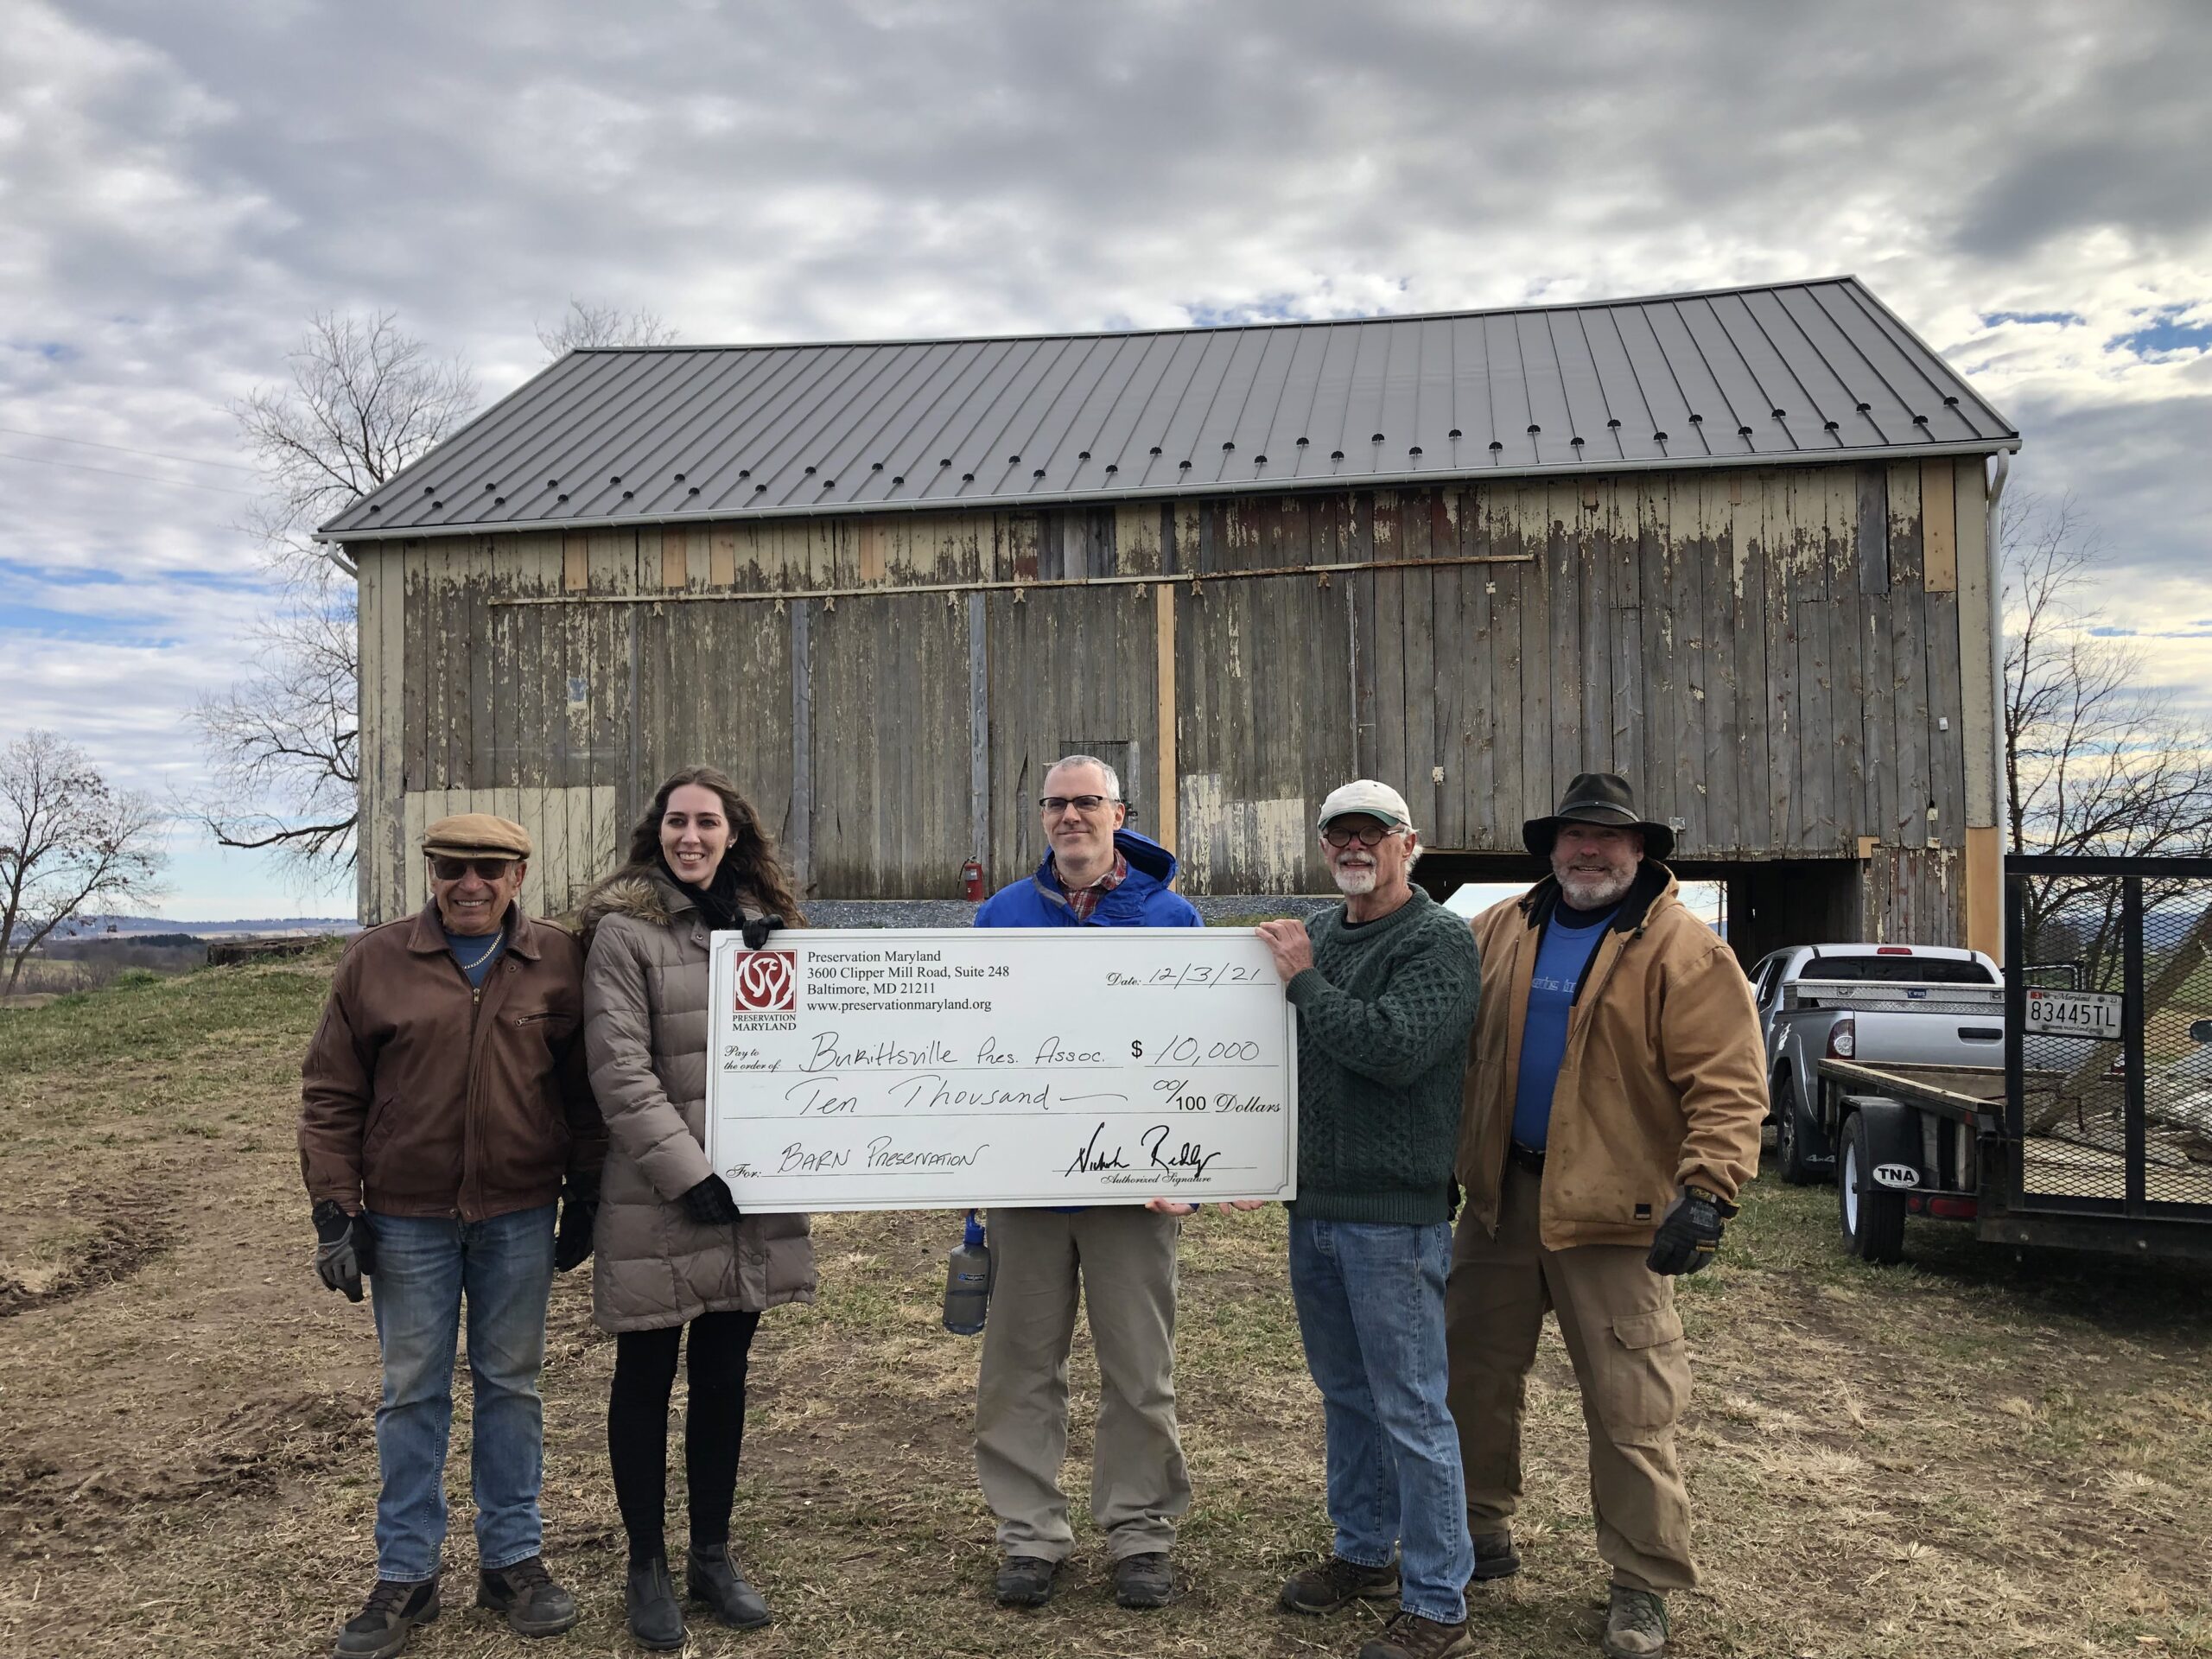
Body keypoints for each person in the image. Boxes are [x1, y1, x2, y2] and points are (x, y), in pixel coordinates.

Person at [1447, 774, 1766, 1659]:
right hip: (1499, 1203)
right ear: (1551, 848)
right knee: (1467, 1376)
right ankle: (1478, 1534)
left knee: (1632, 1409)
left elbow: (1731, 1085)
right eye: (1573, 837)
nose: (1588, 852)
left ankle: (1642, 1584)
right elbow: (1450, 1049)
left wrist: (1705, 1194)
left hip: (1616, 1218)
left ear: (1639, 851)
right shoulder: (1499, 931)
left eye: (1607, 840)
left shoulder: (1684, 951)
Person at [300, 812, 603, 1659]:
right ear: (430, 874)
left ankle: (512, 1560)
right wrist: (336, 1209)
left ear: (517, 878)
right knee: (411, 1393)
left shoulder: (555, 963)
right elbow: (330, 1094)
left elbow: (583, 1091)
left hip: (516, 1214)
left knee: (511, 1385)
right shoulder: (376, 962)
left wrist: (588, 1191)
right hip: (407, 1219)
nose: (468, 884)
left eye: (487, 870)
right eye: (451, 869)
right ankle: (407, 1572)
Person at [578, 766, 817, 1651]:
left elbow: (814, 1048)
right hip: (659, 1195)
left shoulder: (771, 929)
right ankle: (647, 1563)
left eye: (707, 823)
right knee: (645, 1379)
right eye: (676, 822)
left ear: (733, 833)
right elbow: (621, 1070)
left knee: (724, 1377)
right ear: (657, 833)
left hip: (754, 1192)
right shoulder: (623, 932)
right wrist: (689, 1174)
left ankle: (712, 1553)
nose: (691, 837)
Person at [969, 754, 1207, 1612]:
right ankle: (1029, 1534)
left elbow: (1204, 1049)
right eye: (1056, 804)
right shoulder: (1000, 917)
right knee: (1018, 1366)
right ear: (1042, 817)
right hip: (1028, 1189)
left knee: (1139, 1369)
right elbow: (961, 1044)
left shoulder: (1172, 920)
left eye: (1087, 803)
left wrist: (1190, 1162)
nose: (1071, 816)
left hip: (1131, 1191)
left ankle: (1140, 1532)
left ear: (1120, 814)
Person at [1255, 780, 1483, 1659]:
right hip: (1312, 1205)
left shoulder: (1438, 941)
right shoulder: (1309, 935)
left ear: (1408, 845)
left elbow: (1394, 1050)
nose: (1356, 848)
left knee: (1413, 1410)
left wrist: (1304, 985)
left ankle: (1438, 1604)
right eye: (1340, 836)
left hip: (1394, 1218)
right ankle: (1363, 1551)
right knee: (1346, 1394)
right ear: (1324, 848)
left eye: (1372, 835)